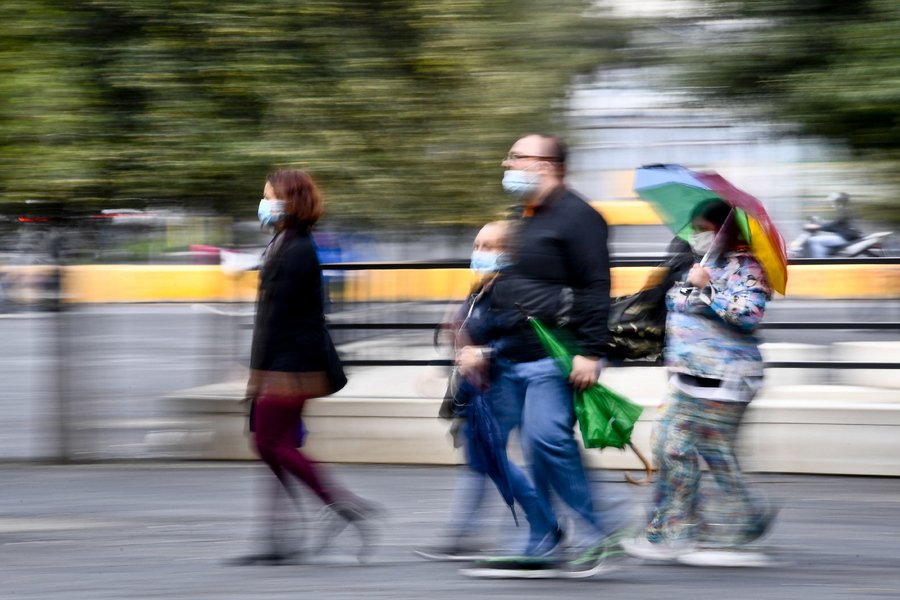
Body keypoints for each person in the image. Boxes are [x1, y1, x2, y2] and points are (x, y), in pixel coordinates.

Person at [461, 134, 618, 576]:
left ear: (547, 165)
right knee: (494, 445)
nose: (508, 165)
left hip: (555, 354)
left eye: (516, 158)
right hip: (506, 353)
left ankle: (597, 532)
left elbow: (597, 286)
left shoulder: (579, 217)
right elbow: (499, 286)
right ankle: (542, 536)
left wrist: (591, 351)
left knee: (546, 438)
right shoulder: (521, 218)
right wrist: (475, 339)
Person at [235, 168, 378, 565]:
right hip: (285, 361)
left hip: (291, 364)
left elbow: (279, 318)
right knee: (271, 442)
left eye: (270, 195)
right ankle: (282, 533)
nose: (264, 203)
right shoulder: (284, 242)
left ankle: (341, 505)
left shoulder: (296, 248)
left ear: (289, 200)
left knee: (270, 441)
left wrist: (258, 371)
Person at [622, 199, 776, 565]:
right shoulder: (699, 264)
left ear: (722, 230)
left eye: (703, 228)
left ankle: (734, 522)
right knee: (668, 446)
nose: (696, 235)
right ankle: (678, 527)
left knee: (714, 455)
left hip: (726, 378)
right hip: (689, 378)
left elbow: (748, 315)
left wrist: (708, 290)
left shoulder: (746, 267)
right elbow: (676, 306)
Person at [415, 220, 554, 561]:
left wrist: (486, 353)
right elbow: (465, 334)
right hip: (476, 387)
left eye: (489, 246)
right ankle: (462, 534)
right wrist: (441, 366)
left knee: (488, 458)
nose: (479, 253)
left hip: (499, 384)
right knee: (480, 460)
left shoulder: (508, 290)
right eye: (478, 245)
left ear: (510, 252)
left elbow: (522, 337)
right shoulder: (482, 288)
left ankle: (542, 520)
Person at [807, 192, 862, 258]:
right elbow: (838, 224)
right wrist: (822, 224)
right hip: (849, 237)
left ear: (839, 202)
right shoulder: (846, 210)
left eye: (833, 202)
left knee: (814, 240)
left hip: (846, 238)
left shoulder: (844, 211)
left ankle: (821, 263)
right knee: (824, 246)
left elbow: (835, 225)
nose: (832, 205)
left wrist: (819, 226)